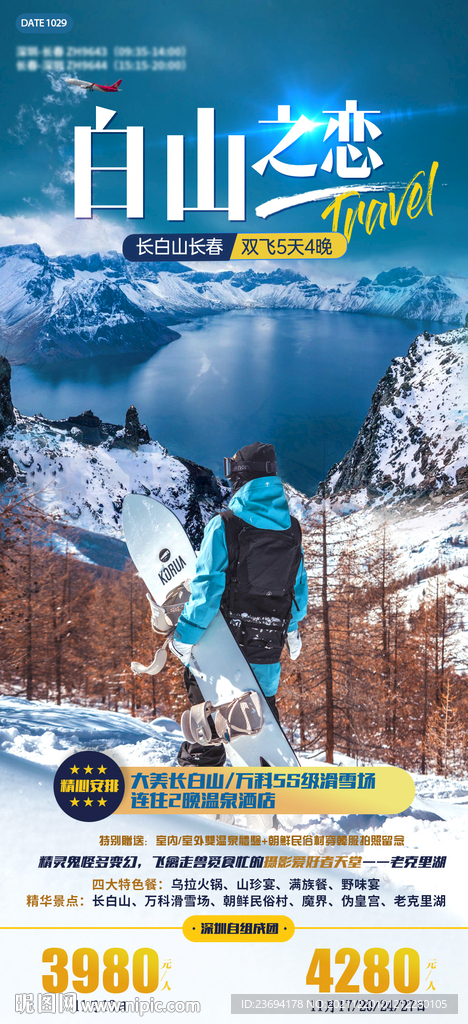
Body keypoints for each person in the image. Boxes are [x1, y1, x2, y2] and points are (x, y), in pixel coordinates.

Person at [169, 442, 308, 766]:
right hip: (267, 651)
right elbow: (295, 594)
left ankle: (195, 800)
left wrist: (184, 638)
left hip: (222, 648)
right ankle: (269, 791)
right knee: (261, 726)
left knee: (208, 728)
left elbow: (206, 592)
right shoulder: (293, 531)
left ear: (240, 479)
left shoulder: (226, 525)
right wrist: (292, 628)